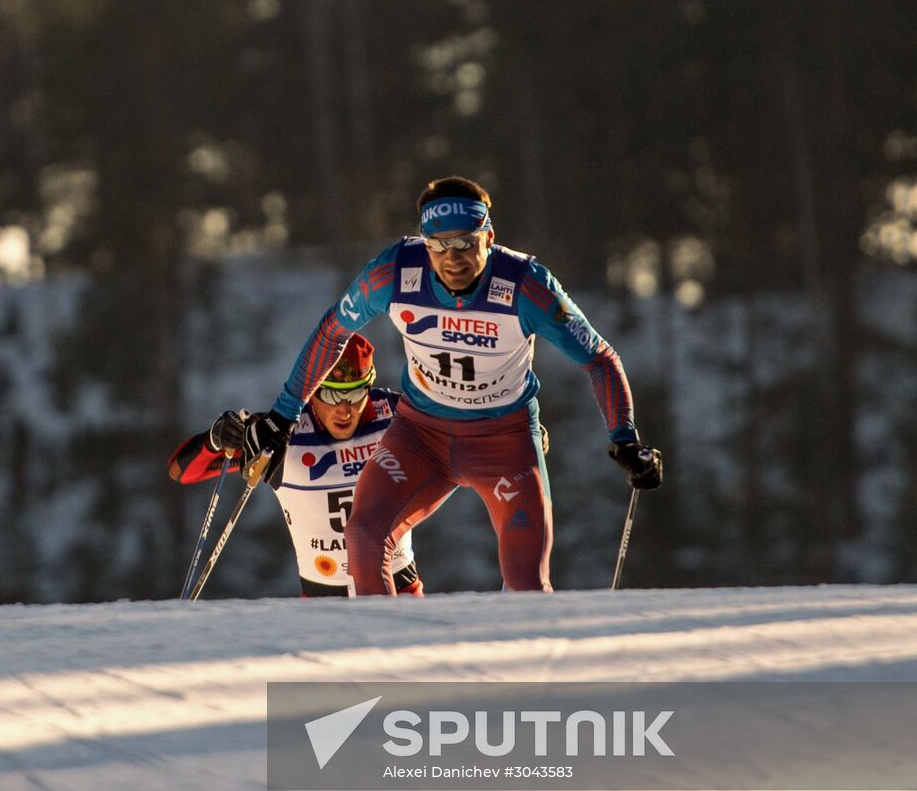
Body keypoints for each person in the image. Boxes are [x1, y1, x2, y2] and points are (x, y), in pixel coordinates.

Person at [240, 175, 663, 595]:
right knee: (364, 536)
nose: (452, 257)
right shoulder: (395, 271)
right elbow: (332, 331)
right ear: (424, 241)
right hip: (420, 434)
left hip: (504, 441)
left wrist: (624, 439)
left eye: (465, 243)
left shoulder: (525, 284)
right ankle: (387, 654)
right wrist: (283, 414)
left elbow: (600, 358)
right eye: (438, 245)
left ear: (489, 237)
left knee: (527, 585)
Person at [168, 334, 423, 596]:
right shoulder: (282, 431)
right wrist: (214, 439)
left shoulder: (397, 414)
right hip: (323, 604)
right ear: (311, 390)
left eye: (357, 393)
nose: (345, 410)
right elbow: (181, 471)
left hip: (400, 590)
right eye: (331, 395)